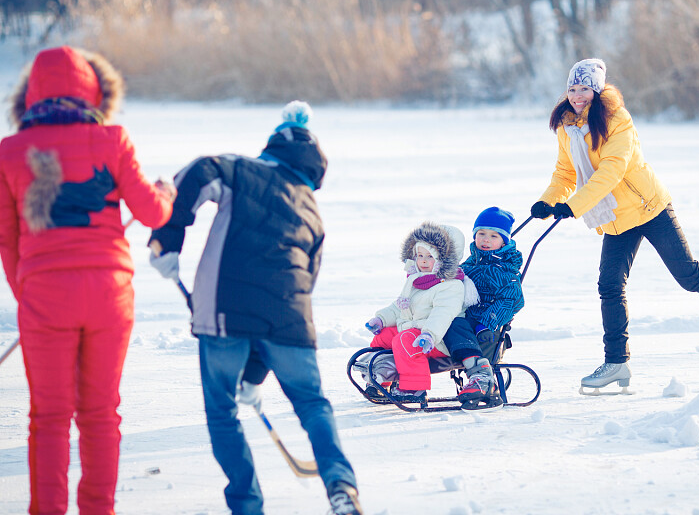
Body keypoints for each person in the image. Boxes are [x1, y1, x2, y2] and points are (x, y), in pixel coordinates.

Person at [147, 101, 362, 515]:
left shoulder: (242, 170)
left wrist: (167, 238)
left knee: (223, 411)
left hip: (224, 315)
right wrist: (256, 373)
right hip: (291, 326)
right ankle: (342, 485)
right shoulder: (313, 214)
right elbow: (302, 286)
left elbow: (197, 170)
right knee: (313, 403)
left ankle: (247, 506)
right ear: (313, 171)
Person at [531, 58, 699, 394]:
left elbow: (611, 172)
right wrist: (548, 202)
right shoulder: (567, 128)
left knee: (689, 275)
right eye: (572, 89)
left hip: (648, 207)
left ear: (597, 90)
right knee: (609, 284)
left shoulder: (616, 120)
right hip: (617, 217)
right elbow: (565, 174)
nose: (577, 96)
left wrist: (573, 206)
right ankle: (617, 362)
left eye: (584, 89)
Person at [0, 46, 175, 514]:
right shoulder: (112, 140)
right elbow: (151, 212)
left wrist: (30, 298)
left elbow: (8, 240)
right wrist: (165, 192)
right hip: (108, 297)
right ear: (95, 91)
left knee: (48, 419)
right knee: (100, 415)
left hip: (44, 298)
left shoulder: (10, 151)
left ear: (30, 97)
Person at [363, 221, 469, 404]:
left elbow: (442, 315)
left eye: (430, 256)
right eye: (420, 255)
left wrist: (429, 334)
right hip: (413, 330)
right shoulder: (416, 281)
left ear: (445, 260)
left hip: (435, 339)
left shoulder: (452, 286)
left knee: (404, 341)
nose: (424, 261)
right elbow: (399, 307)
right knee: (384, 337)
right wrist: (381, 319)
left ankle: (413, 388)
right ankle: (382, 379)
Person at [443, 206, 525, 408]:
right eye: (481, 234)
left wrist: (485, 323)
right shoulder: (468, 265)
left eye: (493, 236)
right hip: (464, 319)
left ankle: (483, 379)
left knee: (462, 328)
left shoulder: (506, 272)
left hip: (487, 330)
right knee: (448, 321)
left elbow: (511, 301)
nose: (486, 240)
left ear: (504, 241)